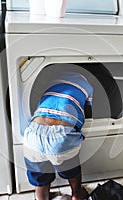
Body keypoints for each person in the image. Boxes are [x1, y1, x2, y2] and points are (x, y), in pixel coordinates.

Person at [23, 71, 93, 200]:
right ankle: (76, 195)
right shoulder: (87, 86)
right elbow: (88, 112)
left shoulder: (51, 83)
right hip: (62, 136)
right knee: (72, 171)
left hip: (33, 134)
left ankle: (43, 197)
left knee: (40, 175)